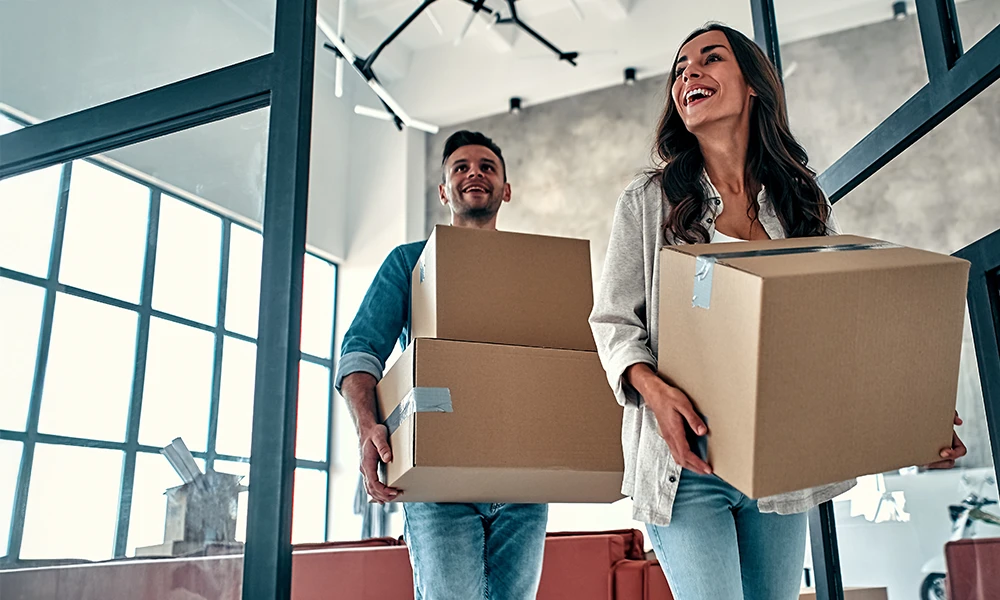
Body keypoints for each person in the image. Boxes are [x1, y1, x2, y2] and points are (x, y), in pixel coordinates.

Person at [588, 23, 968, 600]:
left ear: (753, 86)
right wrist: (653, 391)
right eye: (680, 68)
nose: (688, 73)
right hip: (687, 464)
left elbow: (839, 330)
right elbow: (615, 323)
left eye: (709, 59)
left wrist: (910, 407)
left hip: (779, 469)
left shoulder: (803, 202)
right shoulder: (648, 201)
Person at [335, 130, 548, 600]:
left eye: (488, 167)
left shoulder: (535, 269)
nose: (475, 173)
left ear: (506, 190)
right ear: (444, 190)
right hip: (438, 476)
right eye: (461, 167)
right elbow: (360, 350)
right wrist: (366, 426)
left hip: (524, 478)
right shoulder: (408, 264)